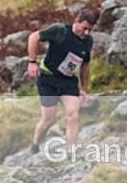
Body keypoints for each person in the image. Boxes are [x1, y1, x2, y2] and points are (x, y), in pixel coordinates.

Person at [26, 9, 97, 159]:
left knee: (73, 115)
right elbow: (34, 37)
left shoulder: (88, 41)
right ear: (76, 21)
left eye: (89, 30)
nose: (86, 33)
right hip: (49, 79)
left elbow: (85, 65)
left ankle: (71, 154)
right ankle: (35, 145)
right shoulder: (60, 31)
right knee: (48, 120)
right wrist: (32, 62)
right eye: (84, 28)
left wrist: (84, 88)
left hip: (68, 82)